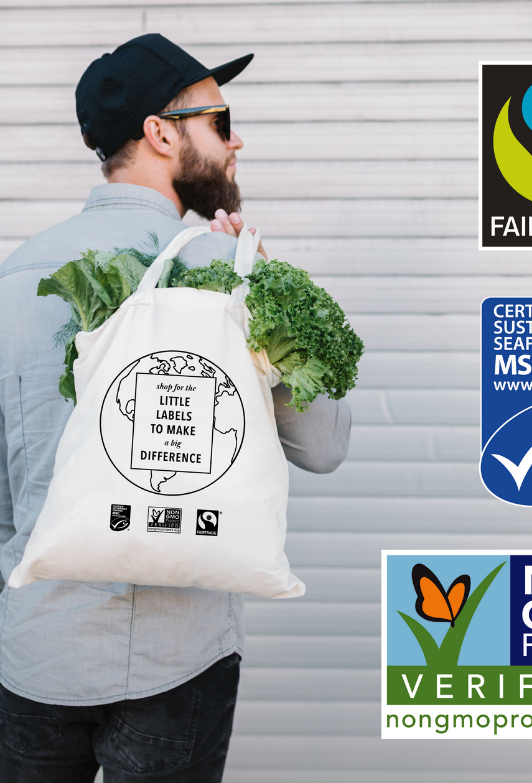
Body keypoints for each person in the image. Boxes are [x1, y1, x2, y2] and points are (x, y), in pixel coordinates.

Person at [0, 34, 351, 782]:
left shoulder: (15, 274)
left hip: (31, 653)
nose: (236, 140)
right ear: (161, 132)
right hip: (174, 658)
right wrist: (263, 293)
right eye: (220, 121)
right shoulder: (225, 268)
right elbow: (324, 443)